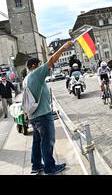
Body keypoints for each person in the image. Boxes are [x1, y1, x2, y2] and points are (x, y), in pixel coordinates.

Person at [25, 40, 73, 175]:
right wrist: (63, 47)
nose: (42, 68)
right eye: (39, 65)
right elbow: (51, 61)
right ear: (34, 66)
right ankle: (49, 167)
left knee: (37, 141)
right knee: (47, 141)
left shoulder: (26, 78)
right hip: (42, 115)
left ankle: (36, 166)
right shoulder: (35, 74)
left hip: (34, 116)